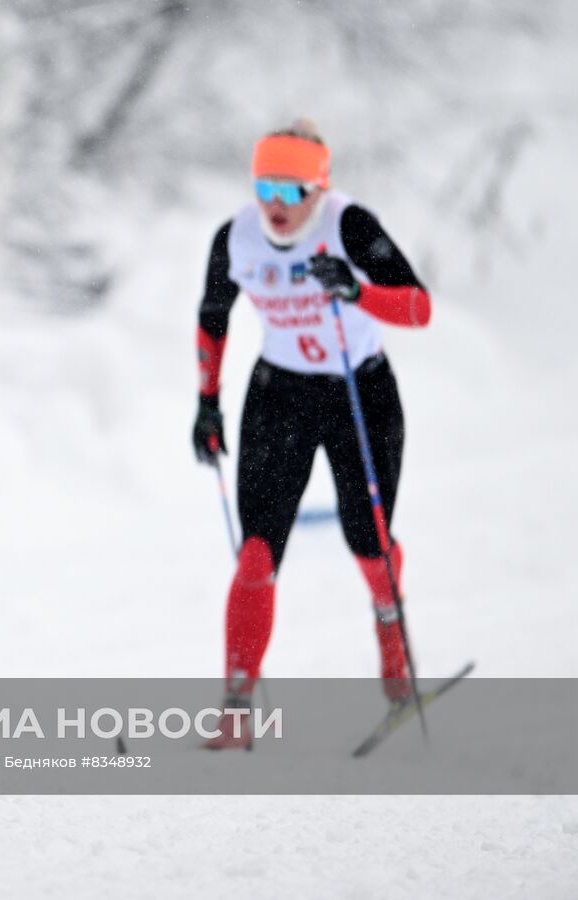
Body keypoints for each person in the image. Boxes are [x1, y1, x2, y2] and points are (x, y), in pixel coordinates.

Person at [191, 119, 432, 748]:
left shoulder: (348, 226)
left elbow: (417, 305)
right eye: (265, 185)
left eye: (293, 190)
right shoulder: (238, 237)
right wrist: (207, 404)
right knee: (257, 553)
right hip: (281, 395)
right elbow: (213, 316)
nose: (276, 204)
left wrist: (356, 290)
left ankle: (395, 662)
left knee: (369, 543)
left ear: (319, 189)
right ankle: (237, 705)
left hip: (360, 393)